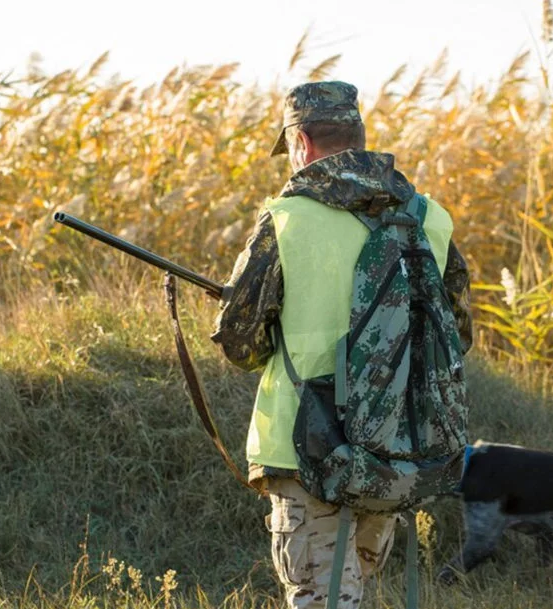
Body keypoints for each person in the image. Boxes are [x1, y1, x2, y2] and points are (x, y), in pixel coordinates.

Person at [211, 81, 473, 609]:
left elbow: (241, 344)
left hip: (309, 446)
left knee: (322, 598)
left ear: (301, 142)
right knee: (351, 592)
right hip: (397, 449)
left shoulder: (287, 218)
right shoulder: (429, 217)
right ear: (358, 135)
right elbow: (457, 333)